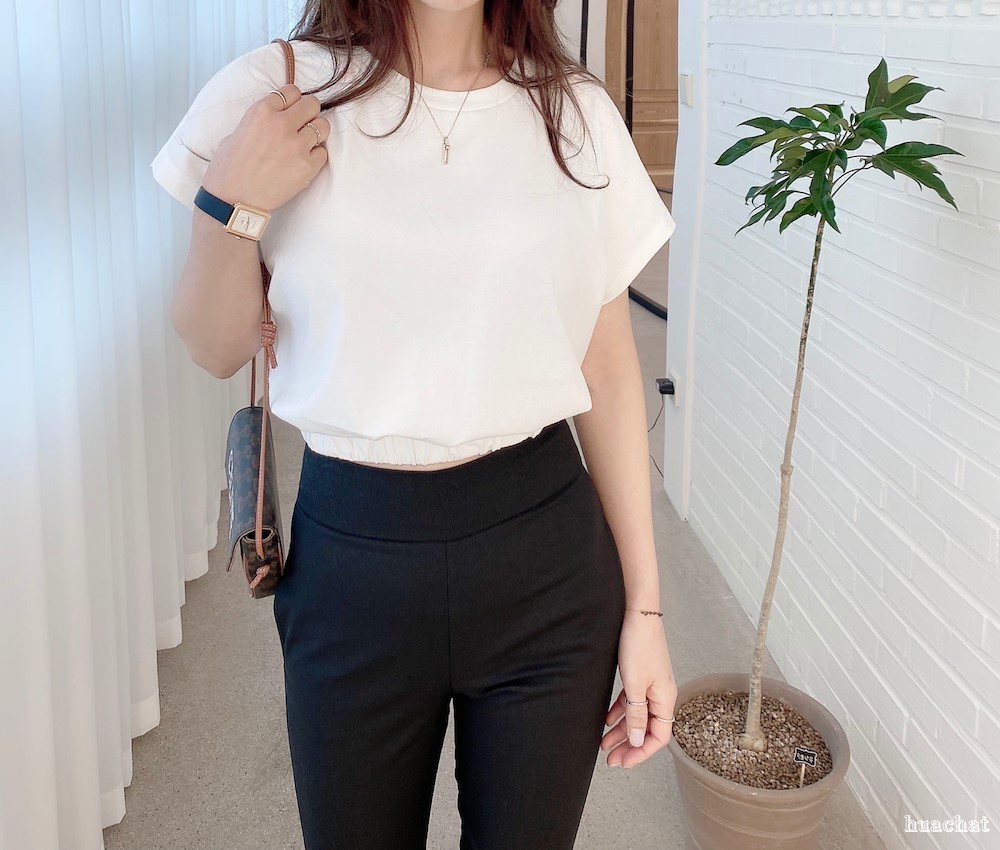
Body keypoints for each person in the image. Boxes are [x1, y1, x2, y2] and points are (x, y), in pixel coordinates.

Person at [151, 0, 679, 845]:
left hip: (546, 563)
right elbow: (214, 349)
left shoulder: (571, 110)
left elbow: (609, 367)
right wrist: (233, 201)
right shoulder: (278, 90)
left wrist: (644, 612)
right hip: (352, 566)